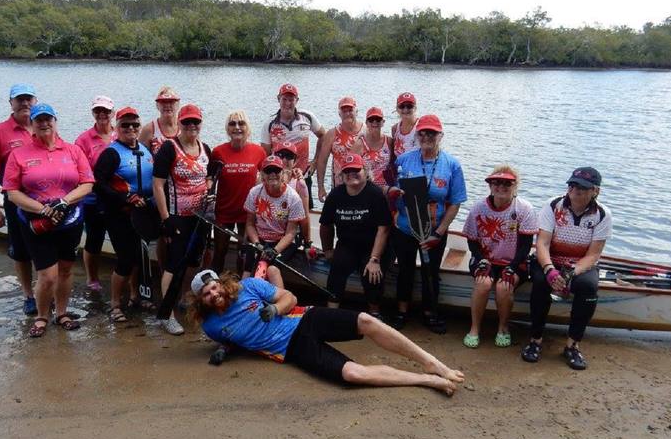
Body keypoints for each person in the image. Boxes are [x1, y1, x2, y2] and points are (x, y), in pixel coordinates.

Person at [187, 270, 465, 394]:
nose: (213, 293)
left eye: (215, 287)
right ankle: (427, 380)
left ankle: (433, 363)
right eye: (206, 293)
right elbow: (235, 341)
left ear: (222, 284)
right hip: (292, 350)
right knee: (353, 374)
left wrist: (276, 310)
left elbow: (289, 297)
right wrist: (225, 350)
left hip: (305, 319)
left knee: (366, 320)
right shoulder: (212, 326)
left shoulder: (249, 287)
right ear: (201, 300)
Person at [2, 104, 95, 337]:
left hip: (70, 219)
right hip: (36, 222)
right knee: (48, 275)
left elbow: (87, 183)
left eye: (48, 119)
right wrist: (43, 209)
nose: (44, 124)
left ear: (55, 121)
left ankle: (61, 313)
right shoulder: (19, 154)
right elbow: (12, 191)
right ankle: (42, 316)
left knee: (65, 270)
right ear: (32, 125)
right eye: (38, 120)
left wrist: (64, 202)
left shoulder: (73, 150)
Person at [522, 167, 612, 370]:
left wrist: (571, 274)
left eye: (583, 186)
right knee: (540, 283)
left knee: (588, 288)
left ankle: (572, 345)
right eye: (572, 184)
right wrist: (550, 271)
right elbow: (542, 244)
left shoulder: (603, 214)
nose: (575, 189)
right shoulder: (553, 205)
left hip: (579, 264)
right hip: (549, 259)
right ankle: (535, 340)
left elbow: (593, 255)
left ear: (595, 191)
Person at [390, 114, 467, 333]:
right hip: (405, 227)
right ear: (417, 136)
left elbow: (456, 201)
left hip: (434, 230)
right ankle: (401, 312)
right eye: (422, 133)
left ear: (440, 136)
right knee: (404, 271)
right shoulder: (404, 159)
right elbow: (389, 188)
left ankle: (429, 313)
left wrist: (439, 233)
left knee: (430, 272)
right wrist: (391, 191)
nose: (427, 137)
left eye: (432, 133)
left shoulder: (452, 164)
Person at [152, 104, 213, 335]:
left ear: (200, 124)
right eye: (186, 122)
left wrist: (210, 189)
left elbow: (208, 177)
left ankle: (185, 299)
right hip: (177, 217)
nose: (191, 126)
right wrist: (165, 218)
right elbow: (157, 184)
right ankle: (167, 314)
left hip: (201, 216)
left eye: (195, 122)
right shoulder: (169, 148)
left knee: (194, 262)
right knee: (173, 264)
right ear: (179, 124)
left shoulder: (205, 148)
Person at [461, 166, 538, 348]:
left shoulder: (525, 209)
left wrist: (512, 266)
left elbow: (526, 245)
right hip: (485, 258)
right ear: (490, 186)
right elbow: (472, 242)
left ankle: (503, 328)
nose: (501, 187)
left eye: (507, 183)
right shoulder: (479, 207)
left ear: (515, 186)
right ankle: (474, 328)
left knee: (504, 286)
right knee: (483, 283)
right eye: (496, 182)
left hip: (514, 261)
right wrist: (481, 260)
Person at [93, 107, 156, 323]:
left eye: (135, 124)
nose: (130, 128)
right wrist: (125, 198)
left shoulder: (145, 150)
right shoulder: (111, 153)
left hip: (144, 211)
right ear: (117, 127)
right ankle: (115, 303)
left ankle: (136, 296)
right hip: (120, 214)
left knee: (139, 256)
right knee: (126, 259)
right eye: (125, 124)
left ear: (140, 127)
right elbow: (98, 184)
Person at [0, 83, 38, 315]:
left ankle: (47, 290)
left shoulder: (43, 125)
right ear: (11, 103)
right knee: (21, 251)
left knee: (46, 248)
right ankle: (28, 295)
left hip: (44, 200)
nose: (24, 103)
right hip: (15, 201)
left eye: (28, 98)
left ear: (35, 101)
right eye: (19, 99)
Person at [319, 154, 393, 318]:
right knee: (337, 267)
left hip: (375, 245)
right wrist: (327, 250)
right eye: (347, 171)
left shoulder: (375, 194)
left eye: (356, 170)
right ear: (341, 176)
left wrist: (375, 259)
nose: (351, 174)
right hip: (348, 245)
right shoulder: (336, 195)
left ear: (366, 172)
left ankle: (374, 311)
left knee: (371, 273)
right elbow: (325, 225)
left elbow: (384, 229)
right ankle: (331, 313)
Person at [210, 110, 266, 275]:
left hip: (247, 213)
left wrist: (295, 173)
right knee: (220, 250)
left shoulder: (258, 152)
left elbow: (268, 176)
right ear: (227, 129)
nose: (237, 127)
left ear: (247, 127)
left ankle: (242, 287)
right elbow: (210, 178)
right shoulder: (218, 152)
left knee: (244, 252)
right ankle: (216, 285)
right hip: (224, 211)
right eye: (232, 124)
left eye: (241, 123)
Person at [242, 155, 305, 289]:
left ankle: (281, 303)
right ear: (262, 175)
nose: (272, 174)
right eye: (268, 171)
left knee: (272, 269)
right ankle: (243, 300)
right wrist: (257, 243)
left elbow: (291, 232)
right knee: (248, 269)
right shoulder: (254, 193)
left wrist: (275, 251)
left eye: (276, 170)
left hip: (284, 239)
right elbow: (250, 224)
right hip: (260, 239)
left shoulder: (293, 197)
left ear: (283, 173)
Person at [260, 83, 324, 209]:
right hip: (279, 178)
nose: (288, 103)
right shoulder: (269, 124)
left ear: (297, 100)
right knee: (279, 213)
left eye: (291, 99)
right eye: (284, 99)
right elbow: (265, 155)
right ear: (278, 99)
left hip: (303, 177)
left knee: (306, 212)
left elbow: (323, 136)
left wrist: (316, 160)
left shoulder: (307, 117)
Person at [74, 95, 115, 291]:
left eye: (106, 111)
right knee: (94, 239)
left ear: (112, 113)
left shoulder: (121, 134)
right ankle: (92, 278)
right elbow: (79, 170)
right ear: (93, 113)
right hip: (93, 199)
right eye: (98, 111)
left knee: (121, 237)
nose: (102, 114)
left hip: (117, 198)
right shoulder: (83, 140)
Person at [140, 87, 180, 273]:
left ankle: (179, 266)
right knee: (164, 235)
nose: (167, 106)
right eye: (163, 103)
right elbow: (139, 159)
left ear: (177, 104)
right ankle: (164, 270)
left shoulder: (184, 126)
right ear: (157, 105)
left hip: (180, 188)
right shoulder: (150, 129)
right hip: (159, 188)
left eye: (171, 102)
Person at [317, 97, 364, 202]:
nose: (347, 113)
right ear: (339, 114)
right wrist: (321, 187)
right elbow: (322, 162)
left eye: (350, 110)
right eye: (344, 111)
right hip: (340, 184)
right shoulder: (332, 134)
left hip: (362, 183)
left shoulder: (365, 131)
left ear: (356, 112)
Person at [273, 141, 312, 251]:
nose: (285, 160)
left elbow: (305, 216)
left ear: (295, 162)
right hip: (268, 234)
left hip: (290, 235)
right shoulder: (263, 179)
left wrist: (307, 243)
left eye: (289, 157)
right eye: (281, 155)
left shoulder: (300, 184)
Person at [350, 106, 393, 190]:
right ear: (366, 122)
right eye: (371, 119)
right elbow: (351, 170)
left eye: (378, 119)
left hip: (386, 188)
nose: (374, 122)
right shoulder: (359, 144)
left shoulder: (389, 142)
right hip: (366, 188)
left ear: (383, 122)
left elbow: (393, 164)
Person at [391, 92, 419, 158]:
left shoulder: (420, 126)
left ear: (415, 108)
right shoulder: (395, 129)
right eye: (402, 106)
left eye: (409, 106)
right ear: (397, 109)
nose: (405, 110)